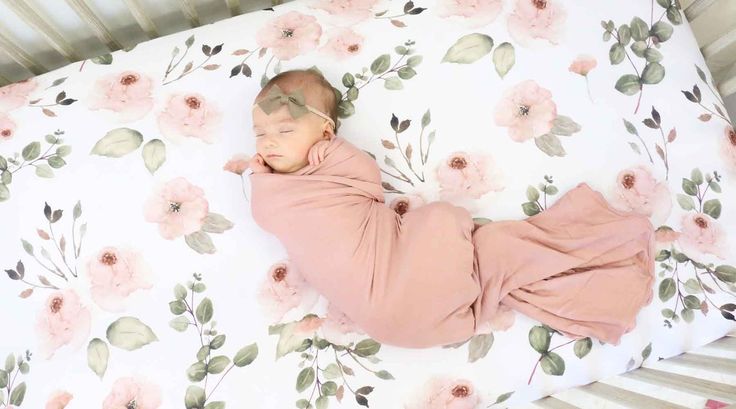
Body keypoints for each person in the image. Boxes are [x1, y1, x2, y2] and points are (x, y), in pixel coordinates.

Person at [246, 68, 656, 349]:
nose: (268, 142)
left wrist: (325, 154)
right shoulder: (275, 195)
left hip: (397, 315)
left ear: (327, 132)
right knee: (454, 228)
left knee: (456, 236)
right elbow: (266, 215)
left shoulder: (336, 165)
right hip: (385, 310)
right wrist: (263, 177)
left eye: (284, 129)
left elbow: (366, 184)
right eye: (260, 132)